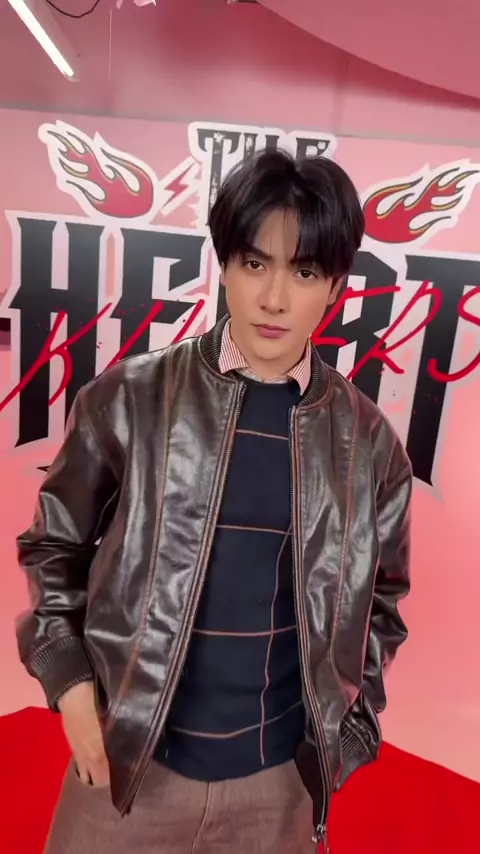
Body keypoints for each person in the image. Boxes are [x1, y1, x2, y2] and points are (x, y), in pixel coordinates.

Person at [16, 148, 412, 854]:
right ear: (225, 264)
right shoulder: (128, 399)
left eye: (304, 272)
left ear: (335, 286)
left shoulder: (370, 444)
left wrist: (347, 732)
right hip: (127, 762)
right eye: (256, 263)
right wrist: (70, 679)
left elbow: (383, 599)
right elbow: (54, 545)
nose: (274, 299)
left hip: (276, 788)